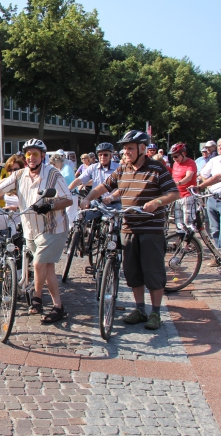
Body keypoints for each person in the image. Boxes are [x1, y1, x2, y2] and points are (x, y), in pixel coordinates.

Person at [81, 130, 180, 330]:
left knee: (153, 272)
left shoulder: (157, 168)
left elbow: (174, 193)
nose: (126, 152)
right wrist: (87, 198)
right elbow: (104, 187)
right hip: (128, 227)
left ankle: (155, 312)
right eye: (124, 148)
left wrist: (157, 201)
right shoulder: (123, 168)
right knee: (132, 271)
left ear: (142, 148)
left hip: (151, 229)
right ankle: (139, 309)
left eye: (130, 148)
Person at [0, 139, 73, 323]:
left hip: (53, 227)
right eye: (28, 154)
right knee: (47, 267)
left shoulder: (53, 174)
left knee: (39, 263)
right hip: (31, 228)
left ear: (43, 156)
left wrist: (50, 205)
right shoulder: (20, 174)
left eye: (35, 154)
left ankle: (37, 299)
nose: (31, 157)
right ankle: (58, 306)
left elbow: (68, 199)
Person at [69, 142, 121, 220]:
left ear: (111, 155)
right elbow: (79, 179)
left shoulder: (119, 168)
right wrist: (67, 190)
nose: (102, 157)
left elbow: (123, 187)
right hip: (96, 203)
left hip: (114, 204)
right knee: (80, 218)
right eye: (100, 155)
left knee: (114, 227)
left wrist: (111, 197)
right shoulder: (93, 167)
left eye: (105, 154)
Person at [200, 138, 221, 265]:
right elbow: (203, 173)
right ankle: (217, 256)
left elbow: (218, 177)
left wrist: (200, 187)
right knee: (215, 230)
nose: (220, 147)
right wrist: (208, 185)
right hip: (212, 199)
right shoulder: (214, 160)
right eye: (219, 145)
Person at [169, 143, 197, 233]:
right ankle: (182, 243)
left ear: (183, 153)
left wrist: (178, 183)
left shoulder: (190, 163)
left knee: (188, 222)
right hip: (177, 195)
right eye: (172, 157)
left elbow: (189, 177)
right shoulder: (175, 164)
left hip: (187, 195)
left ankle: (190, 243)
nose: (174, 159)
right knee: (179, 223)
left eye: (176, 156)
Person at [49, 153, 77, 226]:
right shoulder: (58, 169)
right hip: (64, 195)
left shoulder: (67, 167)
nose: (53, 165)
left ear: (58, 161)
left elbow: (66, 177)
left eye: (54, 164)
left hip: (72, 194)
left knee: (70, 215)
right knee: (65, 215)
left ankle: (72, 234)